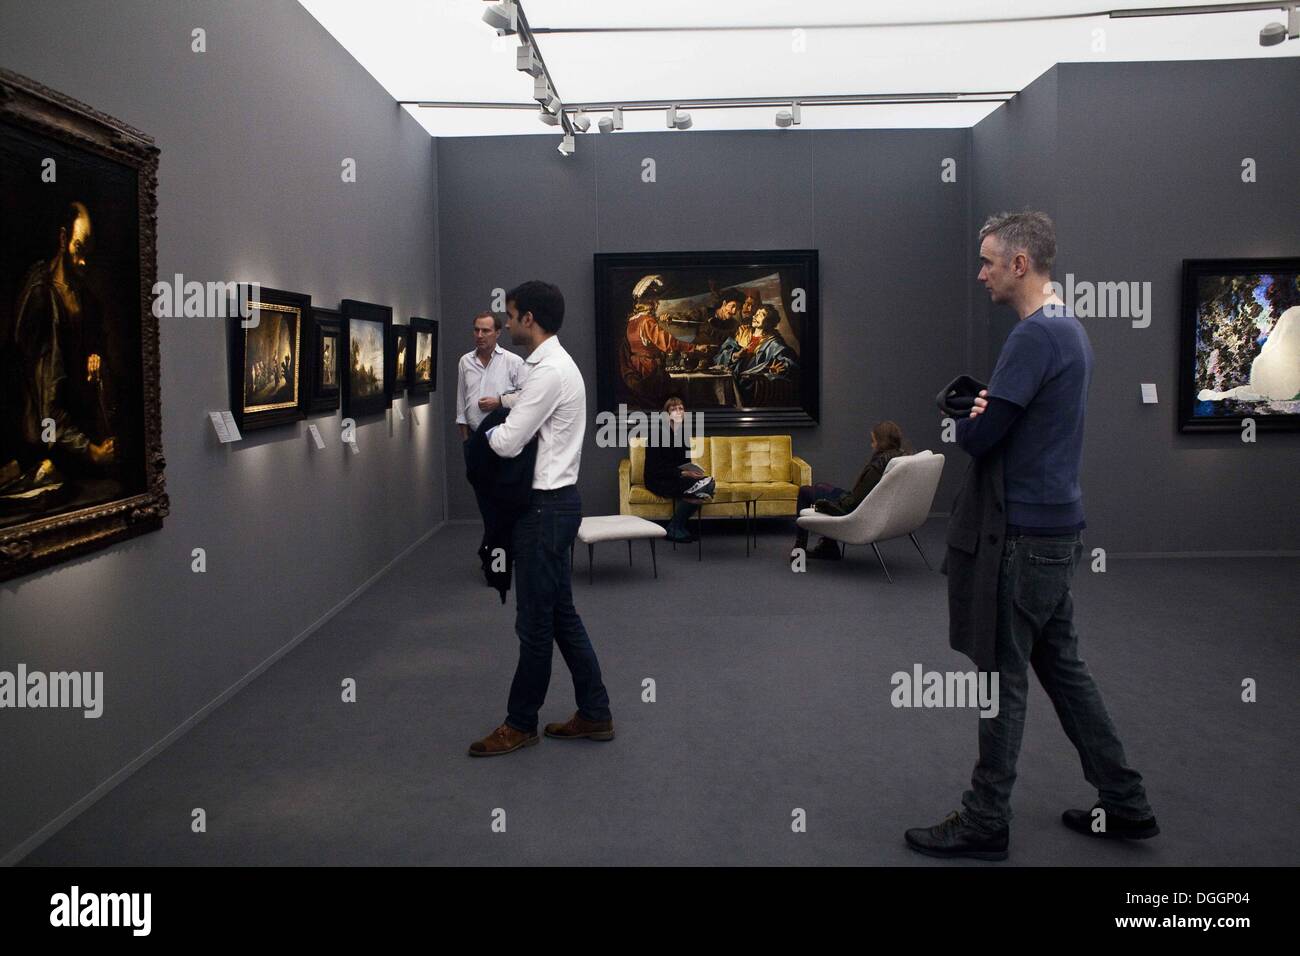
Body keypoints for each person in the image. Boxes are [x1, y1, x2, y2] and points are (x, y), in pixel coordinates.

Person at [905, 210, 1156, 861]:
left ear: (1020, 263)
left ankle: (986, 818)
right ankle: (1125, 802)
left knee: (1000, 681)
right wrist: (988, 409)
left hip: (1020, 540)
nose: (981, 271)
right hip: (1053, 534)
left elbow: (982, 436)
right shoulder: (1068, 329)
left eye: (989, 260)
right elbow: (1010, 423)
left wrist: (971, 417)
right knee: (1065, 672)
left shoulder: (1032, 338)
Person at [468, 280, 614, 757]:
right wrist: (506, 411)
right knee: (559, 617)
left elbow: (510, 442)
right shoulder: (548, 368)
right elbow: (524, 405)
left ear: (529, 319)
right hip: (554, 506)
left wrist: (480, 440)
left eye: (510, 316)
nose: (506, 324)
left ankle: (520, 723)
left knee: (534, 626)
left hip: (545, 511)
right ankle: (594, 713)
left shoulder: (550, 371)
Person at [1, 201, 117, 514]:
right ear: (63, 238)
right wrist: (90, 452)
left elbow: (95, 351)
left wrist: (97, 361)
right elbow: (45, 408)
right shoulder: (40, 298)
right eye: (78, 247)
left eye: (87, 252)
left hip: (74, 444)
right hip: (41, 450)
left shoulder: (82, 296)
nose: (82, 262)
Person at [455, 311, 524, 556]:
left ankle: (497, 549)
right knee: (484, 498)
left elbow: (527, 397)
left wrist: (499, 401)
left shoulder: (513, 362)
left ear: (497, 333)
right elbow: (461, 402)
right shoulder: (465, 362)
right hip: (475, 441)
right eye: (476, 330)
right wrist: (465, 439)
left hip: (503, 440)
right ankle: (496, 547)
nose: (480, 335)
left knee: (503, 497)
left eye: (485, 331)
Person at [791, 421, 911, 560]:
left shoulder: (878, 466)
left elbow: (854, 503)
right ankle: (829, 547)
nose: (872, 445)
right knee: (821, 486)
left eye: (873, 441)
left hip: (853, 508)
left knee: (805, 491)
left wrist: (829, 504)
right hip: (862, 504)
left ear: (882, 442)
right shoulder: (900, 457)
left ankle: (799, 549)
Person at [644, 395, 714, 543]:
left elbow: (685, 462)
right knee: (699, 488)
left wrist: (693, 472)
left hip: (678, 476)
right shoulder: (656, 433)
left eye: (681, 408)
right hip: (658, 479)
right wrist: (682, 473)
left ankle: (678, 526)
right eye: (673, 409)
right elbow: (655, 468)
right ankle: (675, 528)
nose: (678, 411)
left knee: (708, 483)